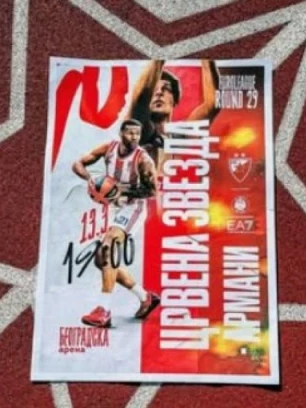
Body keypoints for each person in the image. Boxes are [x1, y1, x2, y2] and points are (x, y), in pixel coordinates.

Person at [72, 119, 160, 328]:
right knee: (101, 260)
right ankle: (145, 297)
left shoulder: (143, 159)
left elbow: (152, 191)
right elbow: (78, 164)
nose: (134, 137)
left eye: (137, 134)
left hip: (133, 208)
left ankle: (104, 310)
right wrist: (90, 179)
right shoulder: (109, 149)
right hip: (113, 208)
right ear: (121, 133)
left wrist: (119, 189)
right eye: (130, 133)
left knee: (108, 246)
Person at [125, 59, 220, 170]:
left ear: (175, 100)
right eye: (153, 90)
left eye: (166, 88)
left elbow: (212, 103)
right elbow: (140, 98)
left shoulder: (179, 135)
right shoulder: (137, 129)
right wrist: (159, 57)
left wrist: (207, 59)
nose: (159, 93)